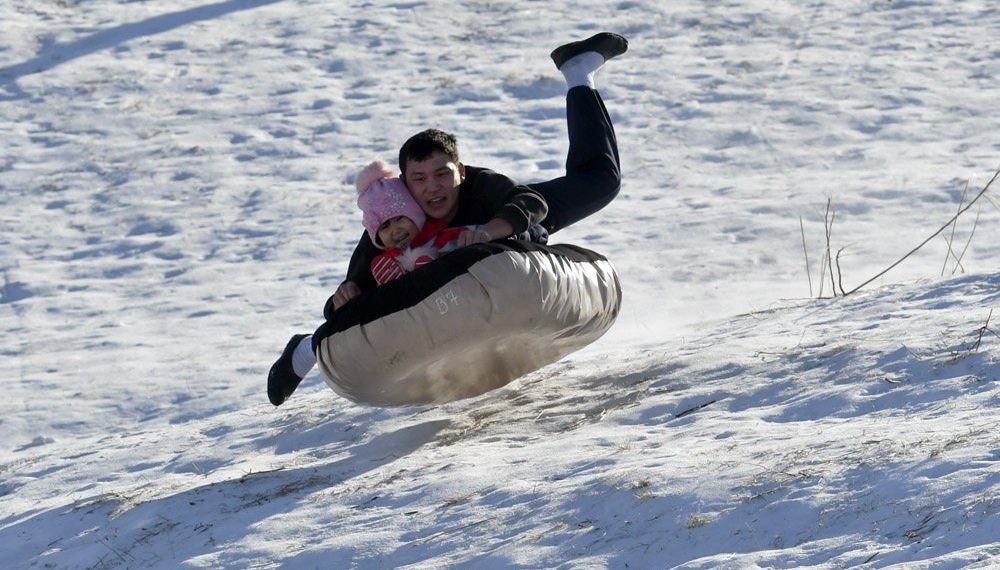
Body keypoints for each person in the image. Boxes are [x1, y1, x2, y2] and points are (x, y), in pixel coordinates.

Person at [268, 31, 628, 406]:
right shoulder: (394, 217)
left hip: (512, 232)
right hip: (438, 286)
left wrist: (492, 230)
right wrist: (341, 298)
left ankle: (578, 73)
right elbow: (354, 290)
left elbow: (530, 202)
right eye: (419, 179)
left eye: (442, 174)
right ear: (404, 183)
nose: (432, 188)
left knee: (601, 182)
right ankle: (302, 352)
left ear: (460, 171)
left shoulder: (479, 185)